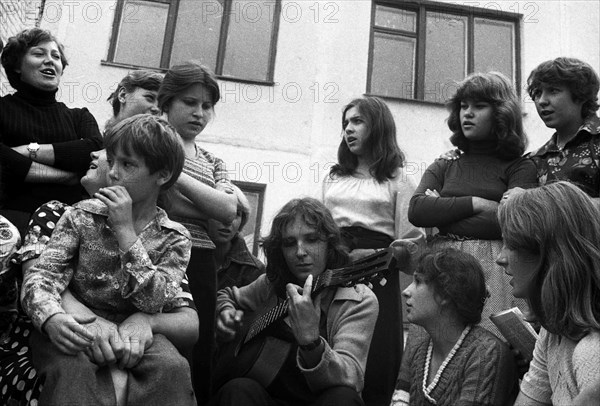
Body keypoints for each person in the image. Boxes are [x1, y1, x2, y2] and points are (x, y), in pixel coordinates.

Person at [20, 115, 196, 406]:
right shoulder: (80, 215)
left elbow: (155, 301)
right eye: (111, 160)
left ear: (162, 175)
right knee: (71, 369)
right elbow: (42, 276)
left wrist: (127, 233)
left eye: (128, 164)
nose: (113, 173)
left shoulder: (174, 238)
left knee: (173, 369)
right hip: (76, 322)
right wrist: (52, 317)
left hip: (134, 330)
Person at [210, 197, 379, 406]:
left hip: (321, 401)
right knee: (237, 390)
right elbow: (227, 295)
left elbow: (350, 376)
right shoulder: (271, 284)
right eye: (290, 243)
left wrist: (311, 342)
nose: (300, 252)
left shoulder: (357, 299)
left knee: (343, 399)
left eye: (312, 239)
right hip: (270, 399)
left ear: (330, 244)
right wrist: (225, 313)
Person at [408, 72, 538, 334]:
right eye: (464, 106)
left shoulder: (520, 166)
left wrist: (443, 209)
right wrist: (479, 203)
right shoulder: (446, 163)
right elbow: (418, 210)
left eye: (479, 106)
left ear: (501, 113)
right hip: (440, 273)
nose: (467, 113)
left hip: (495, 274)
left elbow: (514, 222)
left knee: (489, 351)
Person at [322, 96, 424, 405]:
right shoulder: (334, 176)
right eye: (345, 124)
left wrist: (381, 258)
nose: (348, 130)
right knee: (331, 345)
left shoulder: (397, 178)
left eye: (357, 122)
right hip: (334, 273)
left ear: (377, 126)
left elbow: (412, 240)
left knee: (376, 352)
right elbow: (320, 226)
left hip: (377, 276)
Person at [158, 61, 237, 404]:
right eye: (189, 102)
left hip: (202, 260)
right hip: (160, 252)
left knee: (201, 348)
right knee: (167, 349)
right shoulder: (154, 138)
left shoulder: (211, 159)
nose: (199, 113)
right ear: (167, 102)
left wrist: (173, 176)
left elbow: (229, 209)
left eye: (207, 106)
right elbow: (165, 204)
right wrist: (209, 207)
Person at [496, 181, 600, 406]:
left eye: (511, 244)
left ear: (550, 256)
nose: (500, 258)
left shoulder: (592, 351)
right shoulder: (553, 331)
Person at [0, 28, 103, 236]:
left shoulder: (79, 116)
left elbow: (93, 150)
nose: (50, 61)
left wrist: (26, 152)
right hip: (9, 221)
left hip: (66, 227)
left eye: (55, 56)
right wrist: (64, 176)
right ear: (18, 66)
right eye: (39, 54)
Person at [392, 248, 518, 406]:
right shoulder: (419, 352)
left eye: (418, 281)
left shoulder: (485, 354)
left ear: (445, 293)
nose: (406, 291)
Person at [524, 57, 600, 200]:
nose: (542, 101)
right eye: (537, 93)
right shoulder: (534, 160)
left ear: (580, 95)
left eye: (553, 91)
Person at [208, 184, 265, 291]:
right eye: (219, 210)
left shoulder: (254, 270)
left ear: (242, 220)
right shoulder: (186, 255)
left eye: (236, 213)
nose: (228, 220)